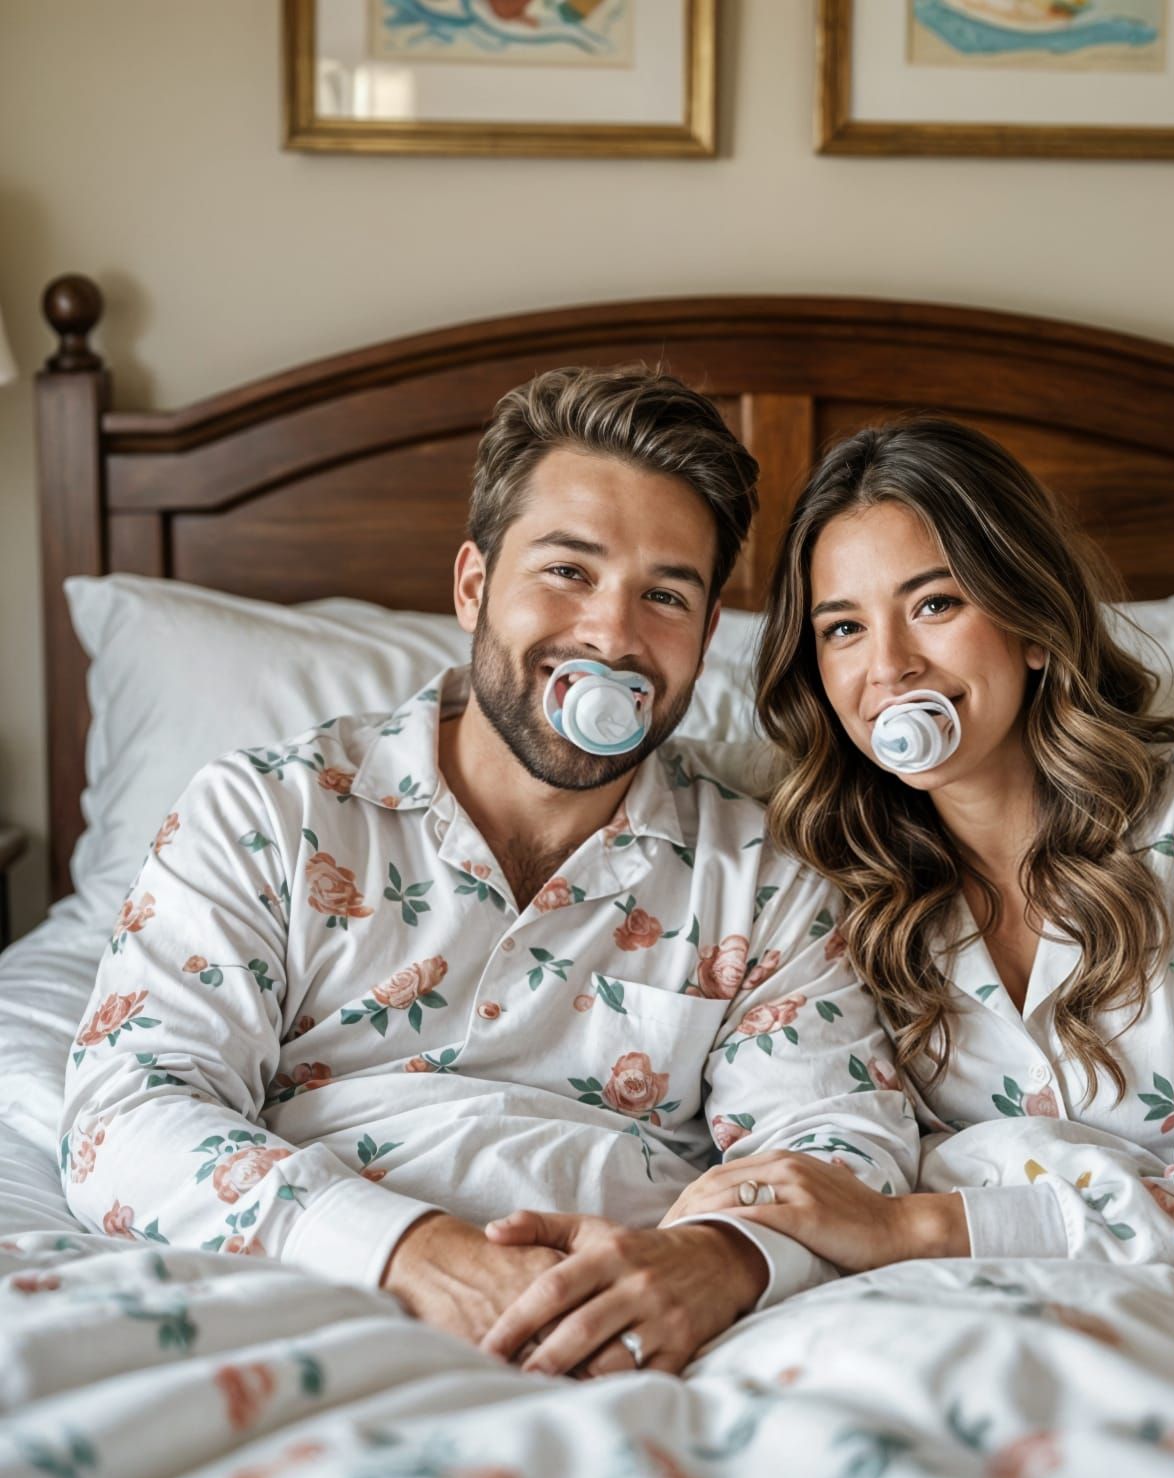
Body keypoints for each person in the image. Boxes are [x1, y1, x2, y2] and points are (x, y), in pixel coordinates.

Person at [60, 367, 917, 1378]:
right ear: (473, 584)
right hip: (311, 1298)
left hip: (636, 1343)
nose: (611, 635)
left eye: (666, 595)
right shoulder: (268, 815)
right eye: (568, 571)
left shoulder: (762, 876)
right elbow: (127, 1114)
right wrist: (419, 1254)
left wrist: (718, 1257)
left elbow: (841, 1140)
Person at [664, 417, 1174, 1298]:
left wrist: (919, 1226)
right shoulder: (829, 880)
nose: (889, 666)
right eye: (843, 628)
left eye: (935, 604)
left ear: (1034, 626)